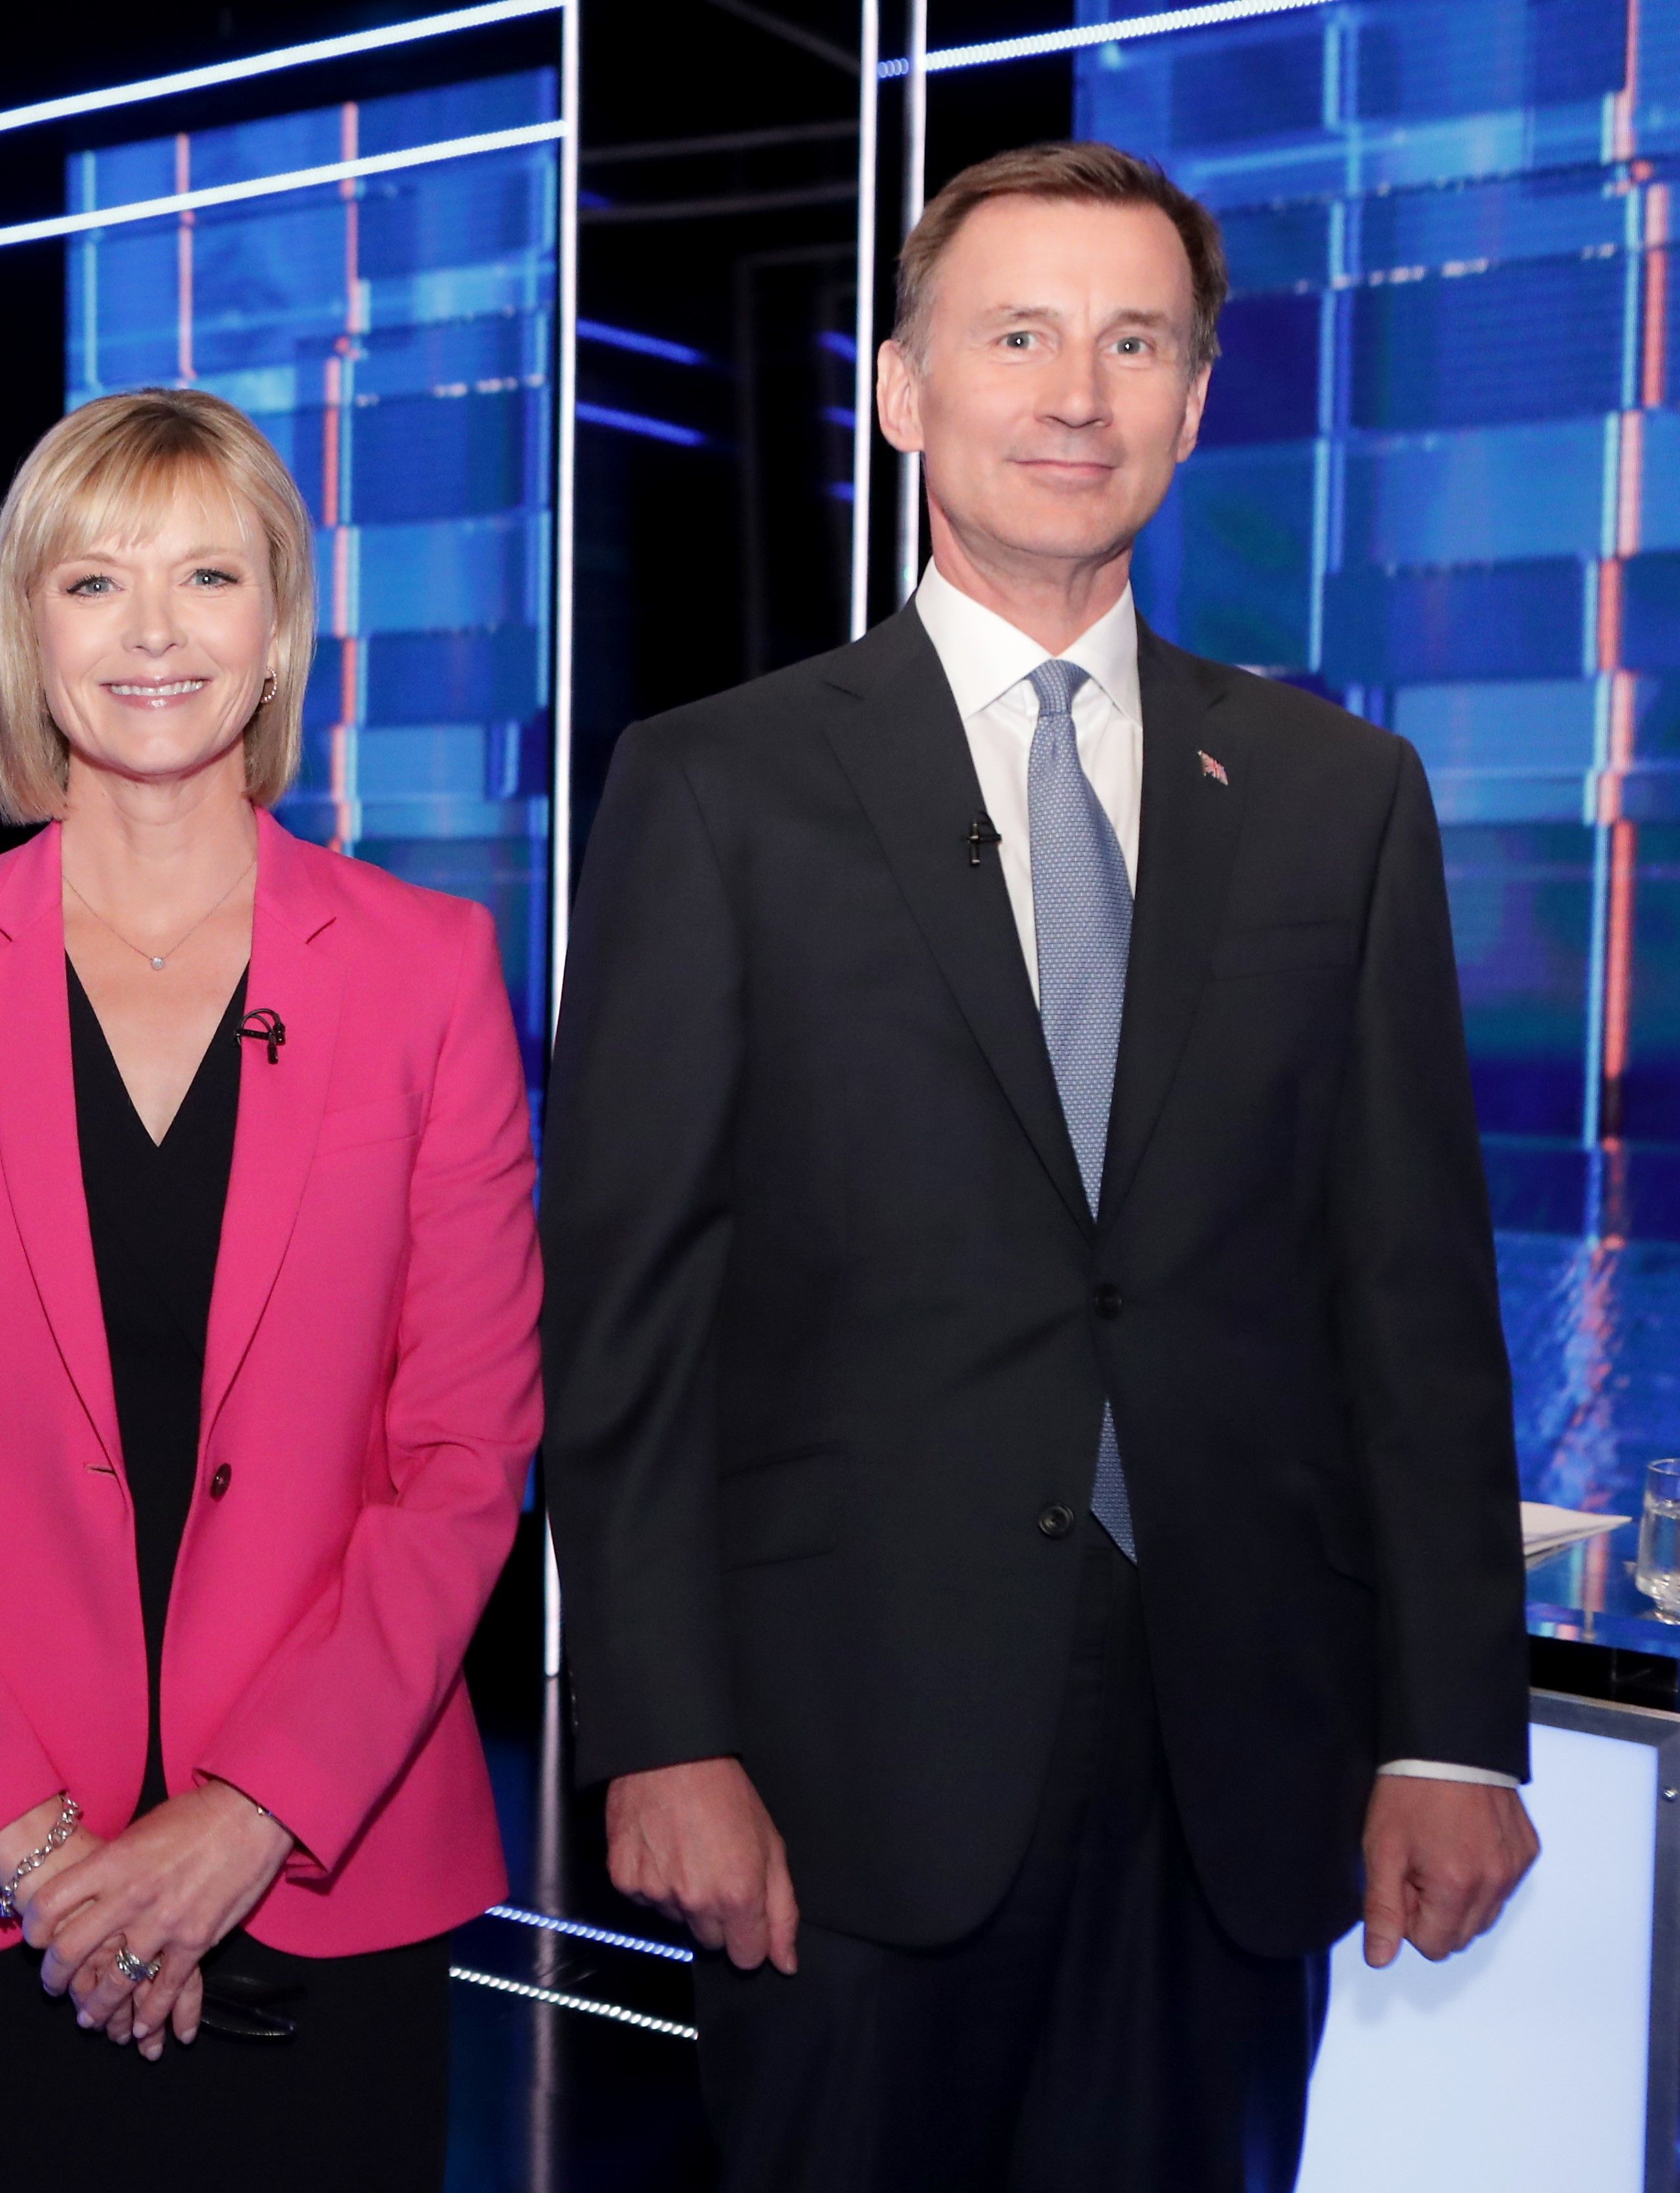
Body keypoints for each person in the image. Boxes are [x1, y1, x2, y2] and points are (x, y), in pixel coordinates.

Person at [543, 140, 1538, 2192]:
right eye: (1018, 337)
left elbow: (1413, 1300)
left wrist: (1451, 1729)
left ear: (1193, 399)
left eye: (1133, 342)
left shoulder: (1340, 799)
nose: (1077, 393)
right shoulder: (718, 787)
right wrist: (659, 1729)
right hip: (838, 1764)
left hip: (1240, 1764)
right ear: (906, 391)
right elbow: (629, 1320)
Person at [0, 387, 541, 2190]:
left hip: (324, 1874)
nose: (157, 632)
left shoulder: (429, 975)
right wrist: (42, 1853)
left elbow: (467, 1451)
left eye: (208, 576)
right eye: (95, 583)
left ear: (277, 632)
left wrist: (241, 1823)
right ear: (30, 632)